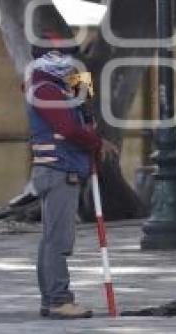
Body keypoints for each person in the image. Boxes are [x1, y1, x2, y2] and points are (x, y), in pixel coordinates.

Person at [24, 34, 118, 319]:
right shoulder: (44, 89)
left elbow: (85, 113)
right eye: (66, 56)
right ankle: (58, 300)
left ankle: (52, 299)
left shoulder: (58, 86)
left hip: (63, 168)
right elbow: (69, 129)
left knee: (53, 237)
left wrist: (82, 83)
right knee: (58, 240)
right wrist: (97, 144)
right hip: (57, 169)